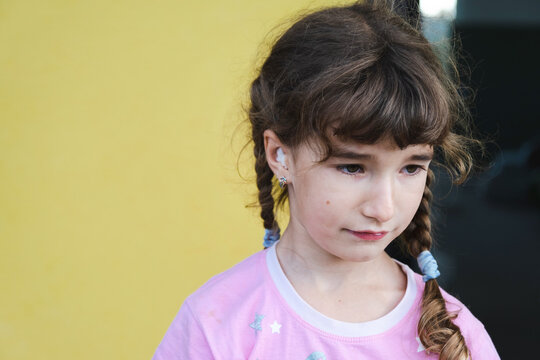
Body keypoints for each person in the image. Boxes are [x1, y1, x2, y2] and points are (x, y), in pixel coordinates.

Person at [153, 1, 500, 359]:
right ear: (279, 155)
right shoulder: (217, 322)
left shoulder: (454, 335)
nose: (383, 208)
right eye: (352, 167)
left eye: (411, 168)